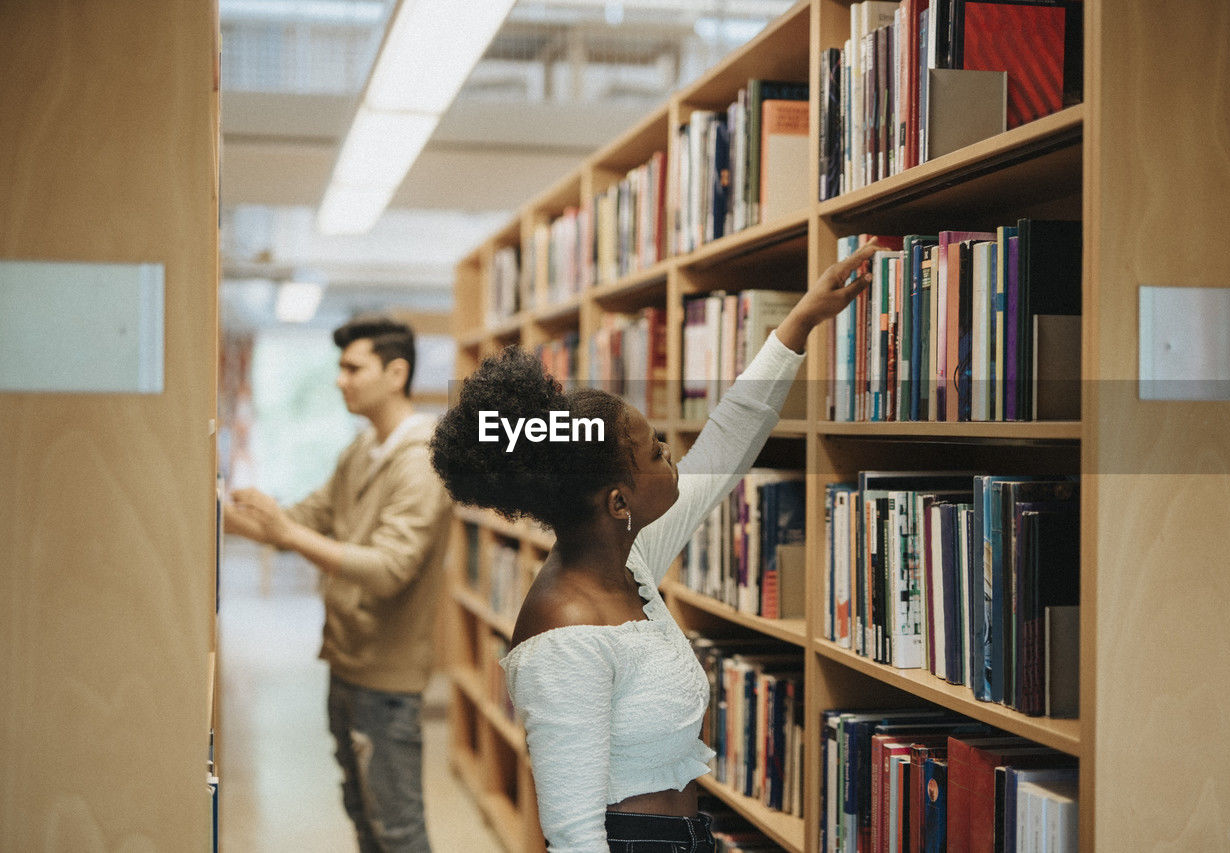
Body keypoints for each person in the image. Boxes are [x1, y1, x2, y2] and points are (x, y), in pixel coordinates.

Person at [428, 244, 880, 853]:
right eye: (658, 453)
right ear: (619, 502)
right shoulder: (565, 630)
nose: (675, 461)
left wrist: (797, 324)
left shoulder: (625, 560)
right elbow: (573, 834)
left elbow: (724, 449)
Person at [224, 317, 452, 853]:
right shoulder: (362, 450)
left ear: (396, 373)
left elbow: (390, 568)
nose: (340, 380)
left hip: (386, 676)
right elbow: (305, 519)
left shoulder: (421, 462)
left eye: (353, 367)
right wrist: (223, 511)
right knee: (363, 814)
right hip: (347, 660)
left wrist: (286, 531)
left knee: (397, 830)